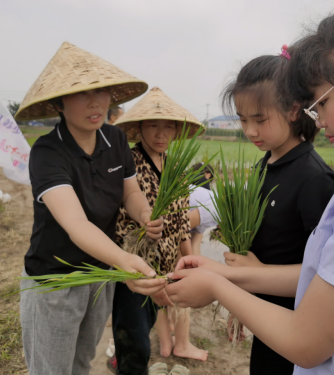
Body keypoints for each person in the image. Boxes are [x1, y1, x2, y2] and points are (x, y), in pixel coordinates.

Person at [166, 2, 334, 374]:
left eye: (322, 102)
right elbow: (331, 275)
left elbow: (305, 342)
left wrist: (216, 288)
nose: (319, 119)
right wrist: (223, 274)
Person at [15, 42, 166, 375]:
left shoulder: (114, 140)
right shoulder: (48, 152)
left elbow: (130, 192)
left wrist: (144, 214)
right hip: (54, 280)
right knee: (52, 369)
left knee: (81, 363)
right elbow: (75, 223)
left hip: (99, 277)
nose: (95, 102)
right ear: (59, 102)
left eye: (101, 92)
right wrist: (125, 259)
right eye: (82, 93)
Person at [224, 53, 334, 372]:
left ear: (292, 110)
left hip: (295, 322)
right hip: (266, 315)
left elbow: (328, 270)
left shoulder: (314, 179)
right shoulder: (265, 164)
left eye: (259, 119)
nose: (250, 130)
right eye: (243, 119)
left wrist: (254, 274)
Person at [110, 87, 208, 375]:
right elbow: (123, 227)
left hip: (163, 273)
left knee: (144, 332)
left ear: (177, 130)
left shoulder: (175, 168)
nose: (160, 133)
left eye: (168, 126)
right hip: (135, 273)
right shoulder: (129, 164)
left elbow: (179, 225)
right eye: (153, 125)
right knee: (135, 343)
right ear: (139, 128)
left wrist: (189, 264)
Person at [188, 163, 216, 255]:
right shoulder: (207, 192)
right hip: (198, 211)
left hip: (182, 210)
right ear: (208, 174)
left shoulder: (185, 181)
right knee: (195, 243)